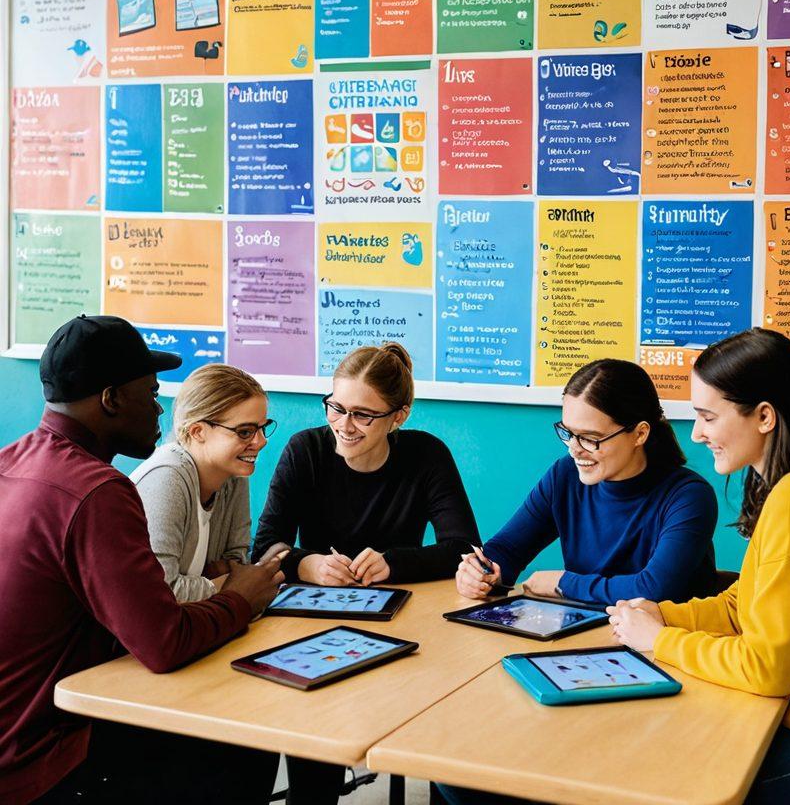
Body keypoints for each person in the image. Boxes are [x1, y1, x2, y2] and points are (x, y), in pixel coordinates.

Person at [0, 315, 284, 805]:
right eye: (150, 392)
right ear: (111, 399)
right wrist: (242, 595)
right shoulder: (97, 492)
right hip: (44, 751)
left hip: (16, 726)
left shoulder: (12, 459)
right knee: (247, 742)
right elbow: (164, 642)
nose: (158, 409)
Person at [610, 328, 790, 804]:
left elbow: (769, 670)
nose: (696, 433)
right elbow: (748, 603)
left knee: (657, 782)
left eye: (707, 416)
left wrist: (660, 640)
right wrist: (665, 615)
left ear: (764, 416)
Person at [254, 340, 480, 805]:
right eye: (336, 407)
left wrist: (394, 562)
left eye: (363, 414)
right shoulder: (306, 450)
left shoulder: (426, 455)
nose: (344, 424)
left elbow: (462, 546)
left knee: (440, 728)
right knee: (314, 734)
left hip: (405, 626)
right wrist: (307, 563)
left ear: (399, 415)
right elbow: (266, 545)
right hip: (313, 627)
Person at [455, 358, 718, 606]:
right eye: (569, 433)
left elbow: (654, 589)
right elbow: (508, 549)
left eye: (590, 438)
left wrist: (563, 583)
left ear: (639, 434)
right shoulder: (564, 476)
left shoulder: (689, 497)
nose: (574, 449)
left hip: (662, 645)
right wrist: (481, 573)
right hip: (583, 638)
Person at [132, 364, 274, 601]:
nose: (260, 442)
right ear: (197, 431)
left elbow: (236, 563)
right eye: (245, 432)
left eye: (262, 428)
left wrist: (230, 579)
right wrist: (226, 584)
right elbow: (159, 593)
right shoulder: (167, 478)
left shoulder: (233, 471)